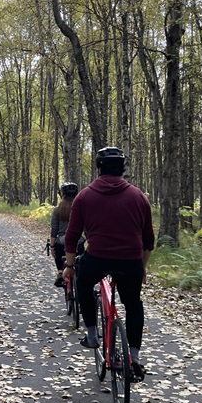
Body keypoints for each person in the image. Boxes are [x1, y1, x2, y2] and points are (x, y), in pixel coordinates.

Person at [62, 147, 155, 381]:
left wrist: (70, 266)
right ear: (122, 168)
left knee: (83, 284)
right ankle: (133, 355)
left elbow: (72, 236)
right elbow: (149, 240)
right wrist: (142, 266)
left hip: (98, 259)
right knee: (133, 303)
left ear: (99, 168)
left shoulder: (84, 196)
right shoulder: (138, 196)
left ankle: (92, 334)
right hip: (131, 260)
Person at [50, 182, 80, 287]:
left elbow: (54, 229)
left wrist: (52, 246)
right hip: (78, 242)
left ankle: (59, 272)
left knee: (58, 253)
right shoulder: (80, 208)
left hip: (61, 242)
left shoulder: (57, 210)